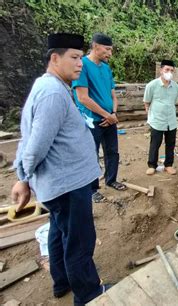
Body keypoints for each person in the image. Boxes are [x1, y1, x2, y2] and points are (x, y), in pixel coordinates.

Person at [11, 33, 110, 305]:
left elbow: (28, 137)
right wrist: (23, 178)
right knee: (79, 241)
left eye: (81, 58)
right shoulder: (53, 93)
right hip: (67, 184)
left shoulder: (46, 86)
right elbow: (36, 145)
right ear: (55, 58)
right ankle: (88, 294)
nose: (80, 64)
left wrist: (24, 176)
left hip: (60, 184)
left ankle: (62, 282)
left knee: (59, 233)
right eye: (74, 58)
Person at [73, 33, 126, 203]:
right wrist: (106, 115)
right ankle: (92, 189)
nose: (110, 53)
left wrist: (114, 114)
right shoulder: (83, 66)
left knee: (112, 151)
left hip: (110, 118)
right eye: (107, 49)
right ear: (95, 47)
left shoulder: (106, 68)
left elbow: (113, 95)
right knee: (91, 154)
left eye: (111, 50)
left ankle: (111, 180)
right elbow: (83, 98)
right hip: (92, 120)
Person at [143, 60, 178, 175]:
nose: (169, 72)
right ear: (161, 70)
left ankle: (168, 165)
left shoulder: (176, 87)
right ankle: (152, 165)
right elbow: (147, 102)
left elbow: (174, 101)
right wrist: (150, 116)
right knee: (155, 143)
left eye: (171, 71)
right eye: (167, 70)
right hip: (157, 120)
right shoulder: (152, 85)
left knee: (170, 143)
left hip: (171, 120)